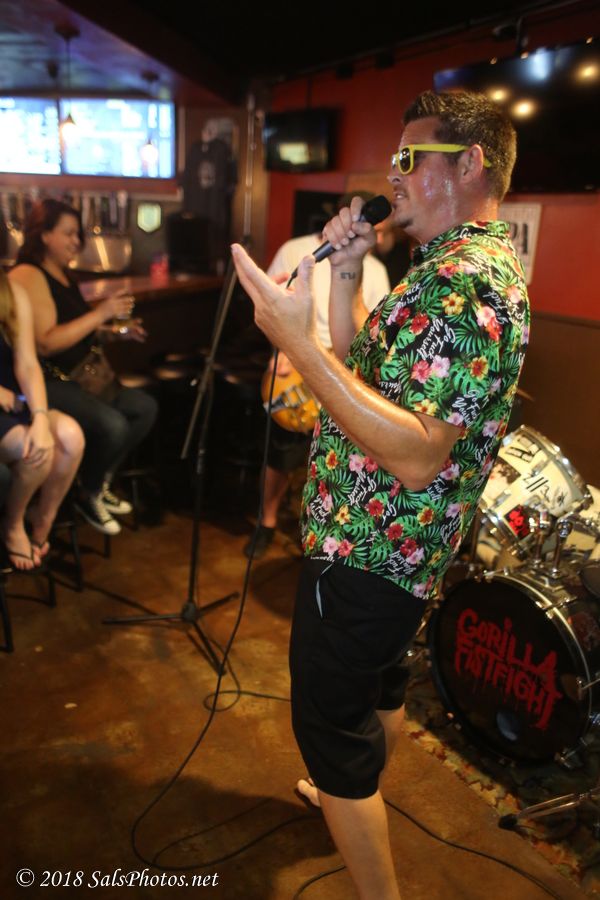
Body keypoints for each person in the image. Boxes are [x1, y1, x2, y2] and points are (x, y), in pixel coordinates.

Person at [231, 90, 530, 900]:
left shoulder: (465, 284)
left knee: (330, 722)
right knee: (381, 687)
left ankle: (365, 845)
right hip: (399, 552)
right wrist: (347, 272)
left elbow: (420, 455)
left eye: (409, 159)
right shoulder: (446, 269)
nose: (391, 175)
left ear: (468, 165)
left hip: (371, 549)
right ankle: (352, 793)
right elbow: (370, 366)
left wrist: (293, 341)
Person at [245, 192, 390, 558]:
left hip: (341, 367)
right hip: (295, 361)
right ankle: (266, 520)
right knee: (280, 454)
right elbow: (271, 303)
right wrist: (281, 349)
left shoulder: (375, 269)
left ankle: (316, 529)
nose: (380, 236)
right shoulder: (295, 250)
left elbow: (373, 330)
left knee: (330, 454)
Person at [9, 200, 158, 536]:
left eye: (78, 234)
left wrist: (115, 332)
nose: (76, 241)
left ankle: (95, 483)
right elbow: (46, 343)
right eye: (69, 234)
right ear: (44, 235)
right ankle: (86, 494)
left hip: (84, 377)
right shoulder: (29, 274)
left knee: (144, 407)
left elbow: (78, 332)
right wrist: (102, 313)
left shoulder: (64, 274)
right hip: (48, 380)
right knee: (113, 426)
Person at [0, 272, 83, 569]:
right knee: (34, 453)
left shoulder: (11, 291)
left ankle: (42, 520)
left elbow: (27, 363)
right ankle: (12, 524)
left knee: (71, 436)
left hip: (14, 401)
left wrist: (39, 417)